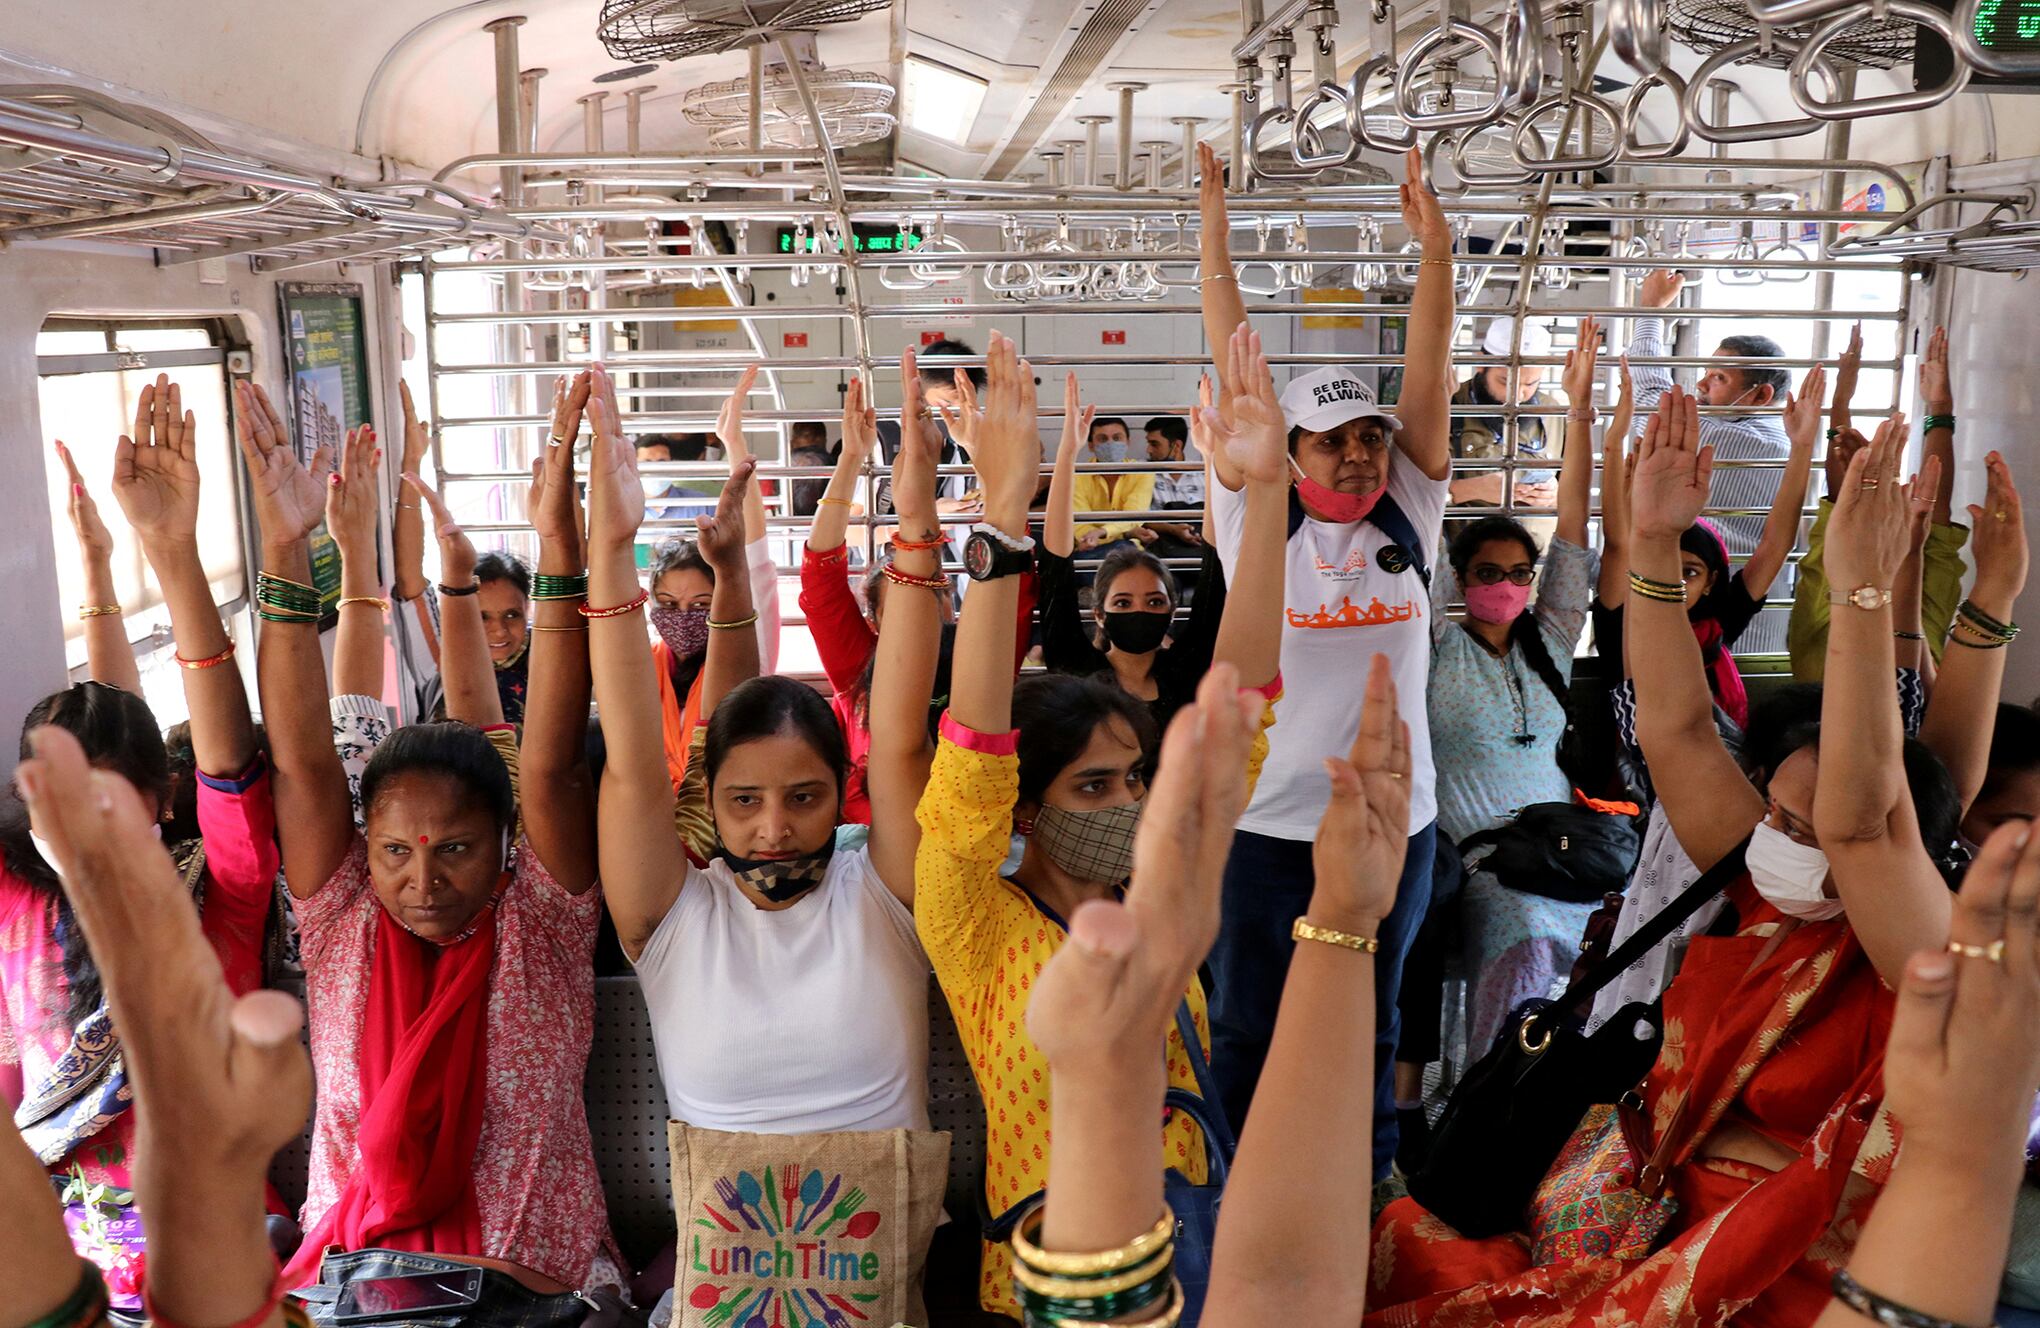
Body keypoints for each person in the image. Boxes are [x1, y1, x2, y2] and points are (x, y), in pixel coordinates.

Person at [1367, 388, 1966, 1326]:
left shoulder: (1912, 954)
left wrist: (1862, 590)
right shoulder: (1768, 888)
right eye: (1775, 810)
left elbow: (1861, 823)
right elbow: (1681, 730)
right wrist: (1647, 543)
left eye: (1806, 827)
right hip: (1641, 1214)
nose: (1782, 837)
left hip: (1771, 1267)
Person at [912, 327, 1283, 1313]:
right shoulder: (972, 924)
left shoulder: (1158, 891)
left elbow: (1242, 706)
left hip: (1190, 1275)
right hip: (1047, 1294)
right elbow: (974, 748)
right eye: (1094, 786)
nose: (1127, 803)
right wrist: (1002, 519)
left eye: (1133, 779)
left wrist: (1268, 496)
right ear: (1023, 807)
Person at [240, 375, 620, 1294]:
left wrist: (560, 547)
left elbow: (557, 764)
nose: (422, 880)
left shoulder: (544, 924)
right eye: (396, 852)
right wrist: (290, 551)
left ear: (504, 847)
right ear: (365, 850)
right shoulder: (341, 924)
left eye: (455, 849)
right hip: (363, 1291)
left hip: (535, 1294)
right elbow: (299, 766)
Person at [583, 352, 940, 1140]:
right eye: (744, 802)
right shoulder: (671, 921)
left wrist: (917, 528)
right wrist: (610, 550)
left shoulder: (881, 901)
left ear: (842, 786)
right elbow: (635, 771)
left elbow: (904, 742)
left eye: (804, 798)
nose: (773, 829)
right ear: (709, 803)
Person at [1196, 141, 1453, 1177]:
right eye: (1332, 438)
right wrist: (1213, 240)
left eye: (1369, 435)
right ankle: (1243, 1201)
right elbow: (1234, 356)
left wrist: (1435, 256)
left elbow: (1429, 367)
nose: (1357, 453)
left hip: (1397, 822)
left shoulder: (1413, 507)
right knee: (1248, 1030)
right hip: (1264, 831)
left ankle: (1360, 1209)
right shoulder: (1254, 523)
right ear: (1288, 455)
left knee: (1373, 1029)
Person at [2, 378, 279, 1311]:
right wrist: (92, 574)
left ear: (163, 803)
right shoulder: (15, 905)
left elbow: (228, 766)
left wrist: (172, 556)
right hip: (63, 1269)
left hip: (213, 1258)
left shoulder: (217, 897)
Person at [1419, 316, 1602, 1059]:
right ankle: (1491, 1093)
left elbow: (1575, 528)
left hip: (1562, 848)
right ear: (1461, 581)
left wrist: (1580, 411)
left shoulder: (1550, 644)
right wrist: (1430, 380)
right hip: (1481, 859)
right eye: (1487, 574)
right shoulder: (1435, 645)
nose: (1505, 585)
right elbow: (1422, 516)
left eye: (1518, 574)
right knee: (1523, 938)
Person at [1595, 359, 1820, 740]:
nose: (1675, 583)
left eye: (1690, 572)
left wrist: (1801, 448)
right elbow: (1619, 543)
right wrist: (1613, 443)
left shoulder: (1715, 624)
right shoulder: (1620, 618)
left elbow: (1775, 545)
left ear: (1712, 581)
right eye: (1668, 569)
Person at [1039, 373, 1230, 738]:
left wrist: (1210, 458)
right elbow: (1055, 565)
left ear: (1173, 611)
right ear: (1098, 613)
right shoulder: (1075, 670)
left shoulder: (1189, 668)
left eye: (1155, 601)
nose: (1140, 611)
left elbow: (1215, 564)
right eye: (1123, 603)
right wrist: (1067, 452)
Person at [1792, 324, 1969, 681]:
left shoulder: (1820, 659)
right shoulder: (1917, 662)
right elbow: (1936, 509)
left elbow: (1842, 505)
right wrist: (1939, 408)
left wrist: (1841, 402)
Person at [643, 367, 784, 816]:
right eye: (668, 605)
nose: (682, 616)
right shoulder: (645, 665)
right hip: (657, 821)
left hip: (726, 819)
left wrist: (734, 445)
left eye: (700, 605)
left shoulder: (748, 655)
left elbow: (755, 559)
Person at [1449, 315, 1559, 519]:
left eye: (1530, 384)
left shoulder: (1554, 412)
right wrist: (1472, 489)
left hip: (1543, 549)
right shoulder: (1448, 408)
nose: (1517, 395)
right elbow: (1415, 496)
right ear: (1481, 363)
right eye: (1504, 382)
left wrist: (1553, 495)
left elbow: (1576, 493)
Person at [1070, 414, 1155, 556]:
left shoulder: (1142, 472)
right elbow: (1079, 525)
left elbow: (1134, 516)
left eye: (1117, 438)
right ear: (1091, 445)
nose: (1110, 444)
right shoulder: (1077, 476)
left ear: (1128, 442)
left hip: (1128, 549)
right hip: (1089, 549)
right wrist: (1125, 533)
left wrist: (1102, 532)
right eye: (1102, 439)